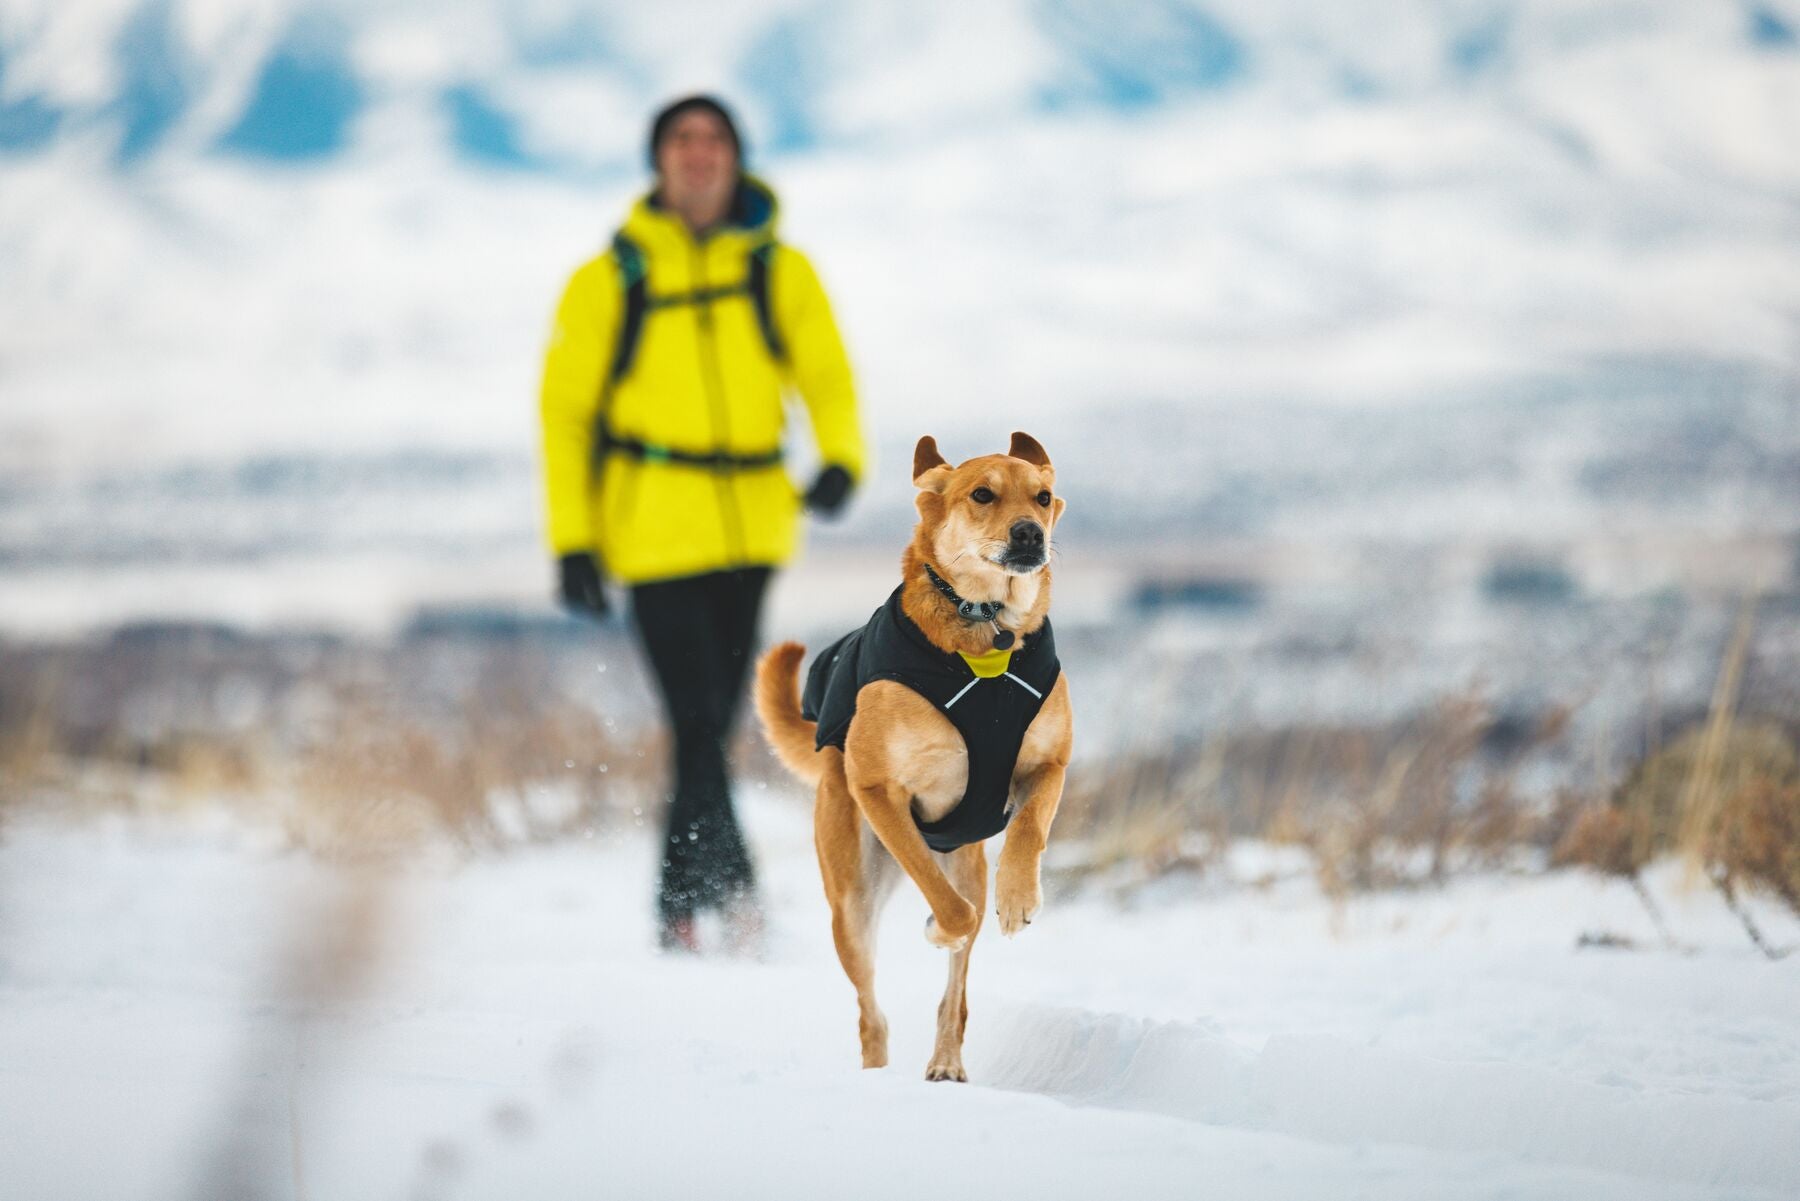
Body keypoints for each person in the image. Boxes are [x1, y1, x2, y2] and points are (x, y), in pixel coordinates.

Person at [538, 95, 865, 953]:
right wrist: (573, 538)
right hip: (651, 532)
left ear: (735, 158)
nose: (698, 153)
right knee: (694, 720)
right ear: (657, 162)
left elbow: (826, 372)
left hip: (753, 531)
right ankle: (730, 899)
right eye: (681, 139)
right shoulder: (610, 280)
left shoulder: (778, 271)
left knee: (712, 725)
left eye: (713, 138)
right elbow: (565, 414)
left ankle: (682, 908)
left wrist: (842, 457)